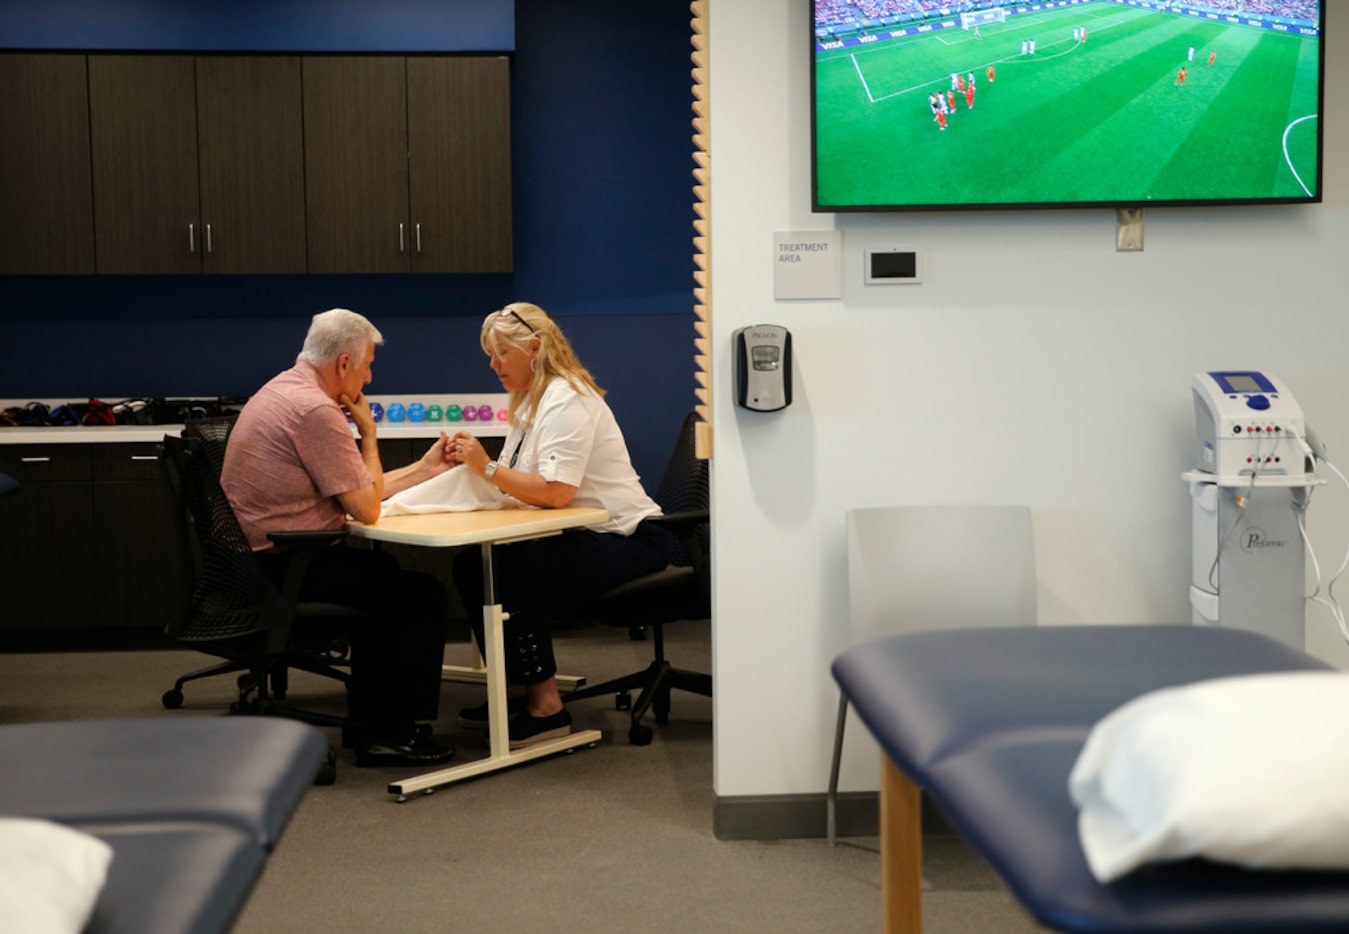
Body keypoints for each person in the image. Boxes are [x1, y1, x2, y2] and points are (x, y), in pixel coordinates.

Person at [221, 308, 459, 767]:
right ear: (344, 363)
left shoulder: (284, 389)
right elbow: (367, 507)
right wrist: (369, 435)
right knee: (421, 597)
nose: (368, 378)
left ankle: (371, 723)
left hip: (253, 563)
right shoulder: (316, 411)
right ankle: (390, 733)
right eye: (368, 365)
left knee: (385, 577)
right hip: (283, 566)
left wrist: (426, 469)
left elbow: (354, 492)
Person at [446, 303, 679, 749]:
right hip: (591, 533)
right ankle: (513, 694)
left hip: (632, 539)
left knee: (514, 573)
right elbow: (526, 483)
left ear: (534, 348)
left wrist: (486, 468)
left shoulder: (567, 398)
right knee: (473, 564)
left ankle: (546, 708)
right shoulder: (532, 400)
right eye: (490, 355)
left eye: (501, 354)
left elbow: (555, 492)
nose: (492, 365)